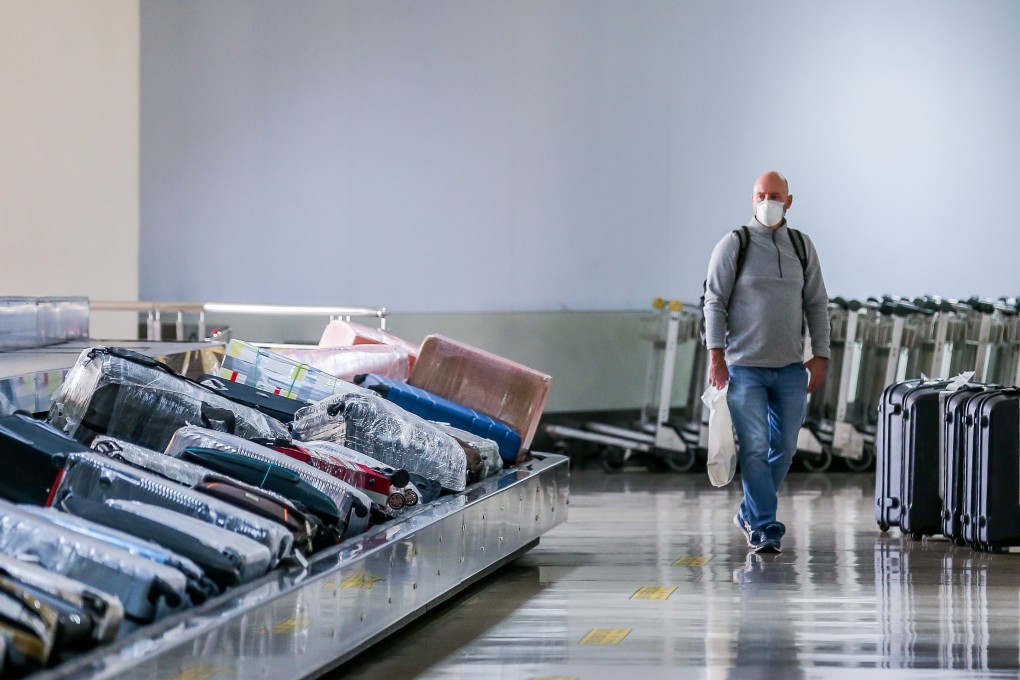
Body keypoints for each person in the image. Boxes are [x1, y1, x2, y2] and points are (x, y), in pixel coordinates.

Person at [702, 170, 830, 554]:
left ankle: (749, 511)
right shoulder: (734, 244)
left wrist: (820, 354)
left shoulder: (801, 247)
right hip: (744, 368)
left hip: (791, 368)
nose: (767, 201)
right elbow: (714, 302)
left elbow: (817, 303)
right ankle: (763, 526)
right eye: (761, 194)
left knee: (785, 449)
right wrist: (716, 355)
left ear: (789, 201)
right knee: (755, 448)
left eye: (775, 195)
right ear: (751, 199)